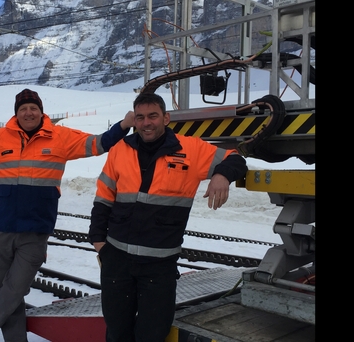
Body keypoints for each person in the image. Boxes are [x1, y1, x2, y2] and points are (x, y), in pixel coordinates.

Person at [0, 88, 135, 342]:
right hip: (2, 226)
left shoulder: (60, 137)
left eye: (33, 108)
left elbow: (99, 143)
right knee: (5, 290)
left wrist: (124, 125)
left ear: (41, 112)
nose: (28, 113)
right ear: (16, 113)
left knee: (16, 287)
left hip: (36, 228)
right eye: (23, 109)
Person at [88, 92, 248, 342]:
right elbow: (104, 197)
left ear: (166, 118)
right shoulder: (121, 149)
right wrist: (99, 243)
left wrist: (222, 175)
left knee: (152, 335)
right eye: (140, 117)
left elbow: (235, 158)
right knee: (117, 334)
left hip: (159, 266)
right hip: (117, 261)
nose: (146, 123)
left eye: (153, 116)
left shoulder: (190, 150)